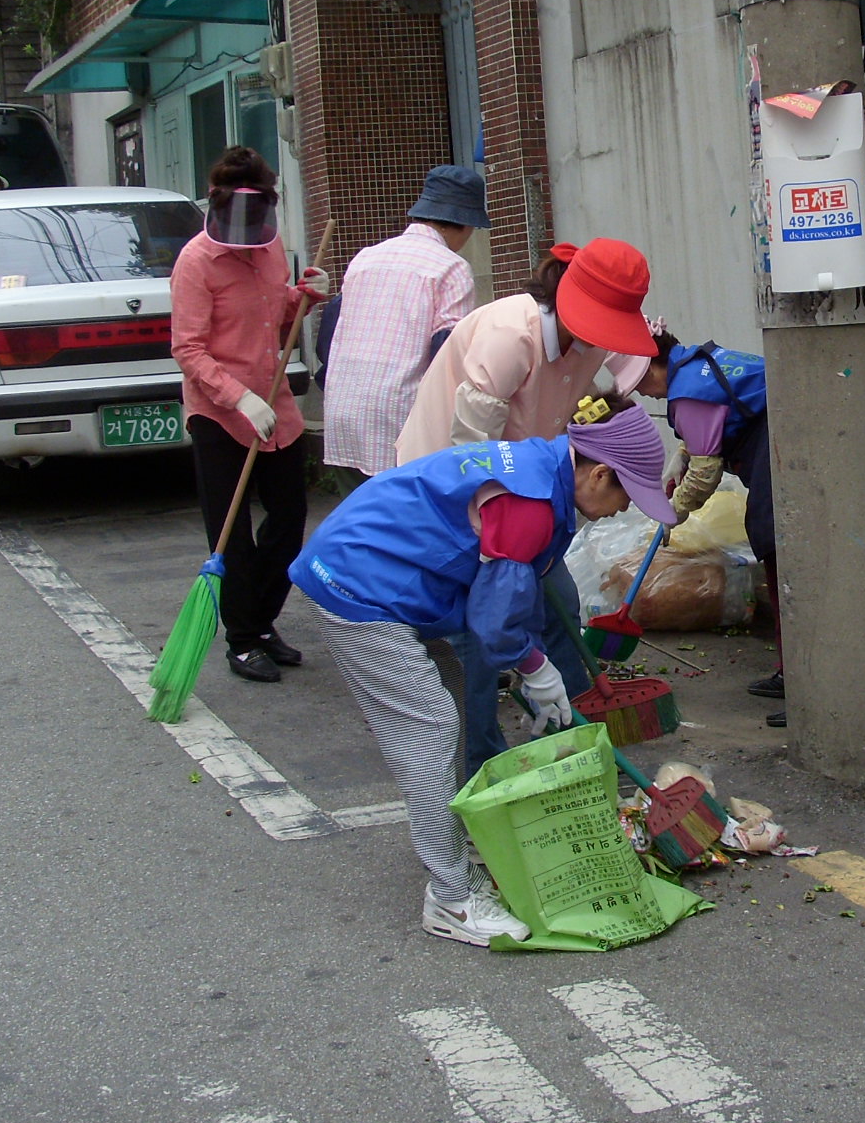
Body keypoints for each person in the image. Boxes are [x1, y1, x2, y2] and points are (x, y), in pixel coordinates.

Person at [289, 403, 678, 945]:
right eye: (624, 497)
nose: (620, 511)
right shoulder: (530, 504)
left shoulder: (541, 468)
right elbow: (494, 625)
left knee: (452, 708)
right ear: (599, 474)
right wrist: (537, 669)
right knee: (430, 731)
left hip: (388, 578)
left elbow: (508, 600)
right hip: (359, 588)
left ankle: (460, 842)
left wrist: (529, 664)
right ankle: (450, 898)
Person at [397, 238, 658, 775]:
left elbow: (634, 374)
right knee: (477, 628)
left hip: (528, 489)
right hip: (457, 486)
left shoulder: (590, 339)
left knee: (557, 599)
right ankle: (476, 765)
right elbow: (470, 454)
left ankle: (580, 743)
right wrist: (501, 549)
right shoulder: (509, 336)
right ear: (568, 298)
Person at [170, 147, 330, 684]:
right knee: (231, 533)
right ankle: (242, 638)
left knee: (287, 523)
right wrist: (237, 396)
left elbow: (276, 312)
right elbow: (188, 349)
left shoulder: (269, 245)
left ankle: (261, 621)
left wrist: (305, 297)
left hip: (275, 408)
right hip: (221, 415)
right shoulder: (195, 262)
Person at [635, 330, 784, 724]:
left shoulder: (687, 392)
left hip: (784, 442)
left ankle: (811, 688)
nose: (642, 391)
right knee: (775, 548)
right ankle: (794, 673)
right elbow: (709, 431)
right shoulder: (695, 364)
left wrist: (674, 512)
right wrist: (680, 457)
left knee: (779, 550)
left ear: (655, 363)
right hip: (784, 433)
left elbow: (704, 474)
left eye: (640, 381)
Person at [319, 166, 488, 492]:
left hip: (344, 413)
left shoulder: (365, 257)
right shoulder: (450, 267)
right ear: (465, 224)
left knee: (357, 527)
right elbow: (447, 354)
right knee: (403, 531)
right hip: (399, 423)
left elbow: (327, 339)